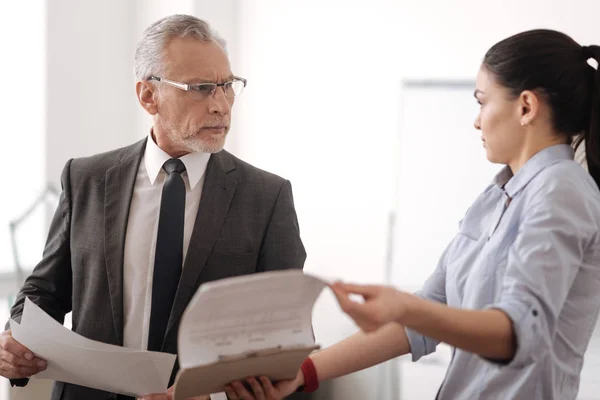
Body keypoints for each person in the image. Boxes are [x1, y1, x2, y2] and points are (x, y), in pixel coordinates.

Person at [224, 29, 600, 400]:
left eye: (482, 102)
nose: (476, 120)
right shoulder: (493, 197)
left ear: (526, 107)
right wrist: (305, 372)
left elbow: (517, 334)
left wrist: (407, 307)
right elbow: (426, 317)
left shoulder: (562, 190)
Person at [0, 14, 306, 400]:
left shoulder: (267, 196)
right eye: (201, 88)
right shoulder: (87, 178)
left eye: (227, 86)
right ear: (148, 96)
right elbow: (44, 291)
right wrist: (14, 341)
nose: (221, 105)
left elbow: (283, 333)